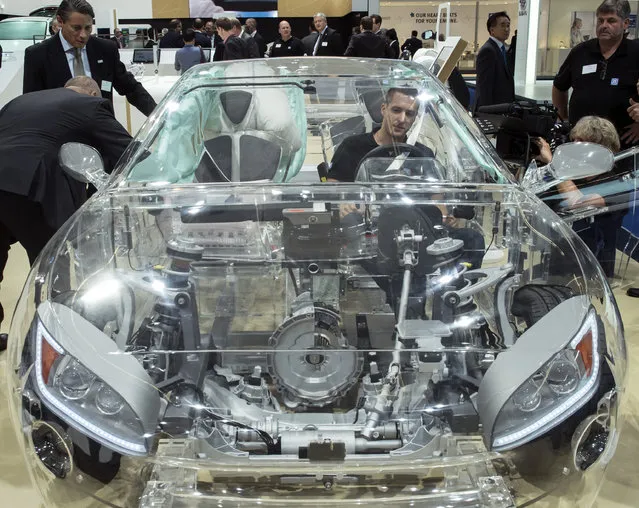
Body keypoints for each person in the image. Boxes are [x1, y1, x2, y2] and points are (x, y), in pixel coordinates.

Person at [0, 77, 132, 341]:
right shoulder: (91, 105)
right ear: (93, 92)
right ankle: (53, 341)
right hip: (31, 189)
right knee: (49, 269)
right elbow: (128, 152)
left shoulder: (19, 101)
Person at [24, 0, 157, 117]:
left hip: (101, 131)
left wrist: (158, 116)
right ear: (60, 21)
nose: (83, 35)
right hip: (59, 135)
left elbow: (131, 88)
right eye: (76, 28)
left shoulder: (105, 49)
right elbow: (31, 106)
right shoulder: (37, 55)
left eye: (88, 28)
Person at [534, 116, 625, 279]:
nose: (574, 146)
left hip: (591, 270)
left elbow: (578, 204)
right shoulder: (572, 176)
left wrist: (553, 164)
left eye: (581, 141)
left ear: (601, 147)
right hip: (555, 261)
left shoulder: (616, 184)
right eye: (574, 140)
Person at [553, 0, 639, 149]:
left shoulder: (635, 53)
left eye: (611, 20)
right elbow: (559, 86)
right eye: (600, 20)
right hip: (580, 142)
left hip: (622, 144)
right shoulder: (580, 52)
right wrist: (564, 118)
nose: (604, 25)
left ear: (625, 24)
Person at [474, 11, 515, 112]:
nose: (506, 29)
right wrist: (487, 112)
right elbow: (484, 86)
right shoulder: (488, 51)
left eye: (508, 25)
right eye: (502, 25)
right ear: (492, 30)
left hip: (502, 107)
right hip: (492, 109)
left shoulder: (502, 49)